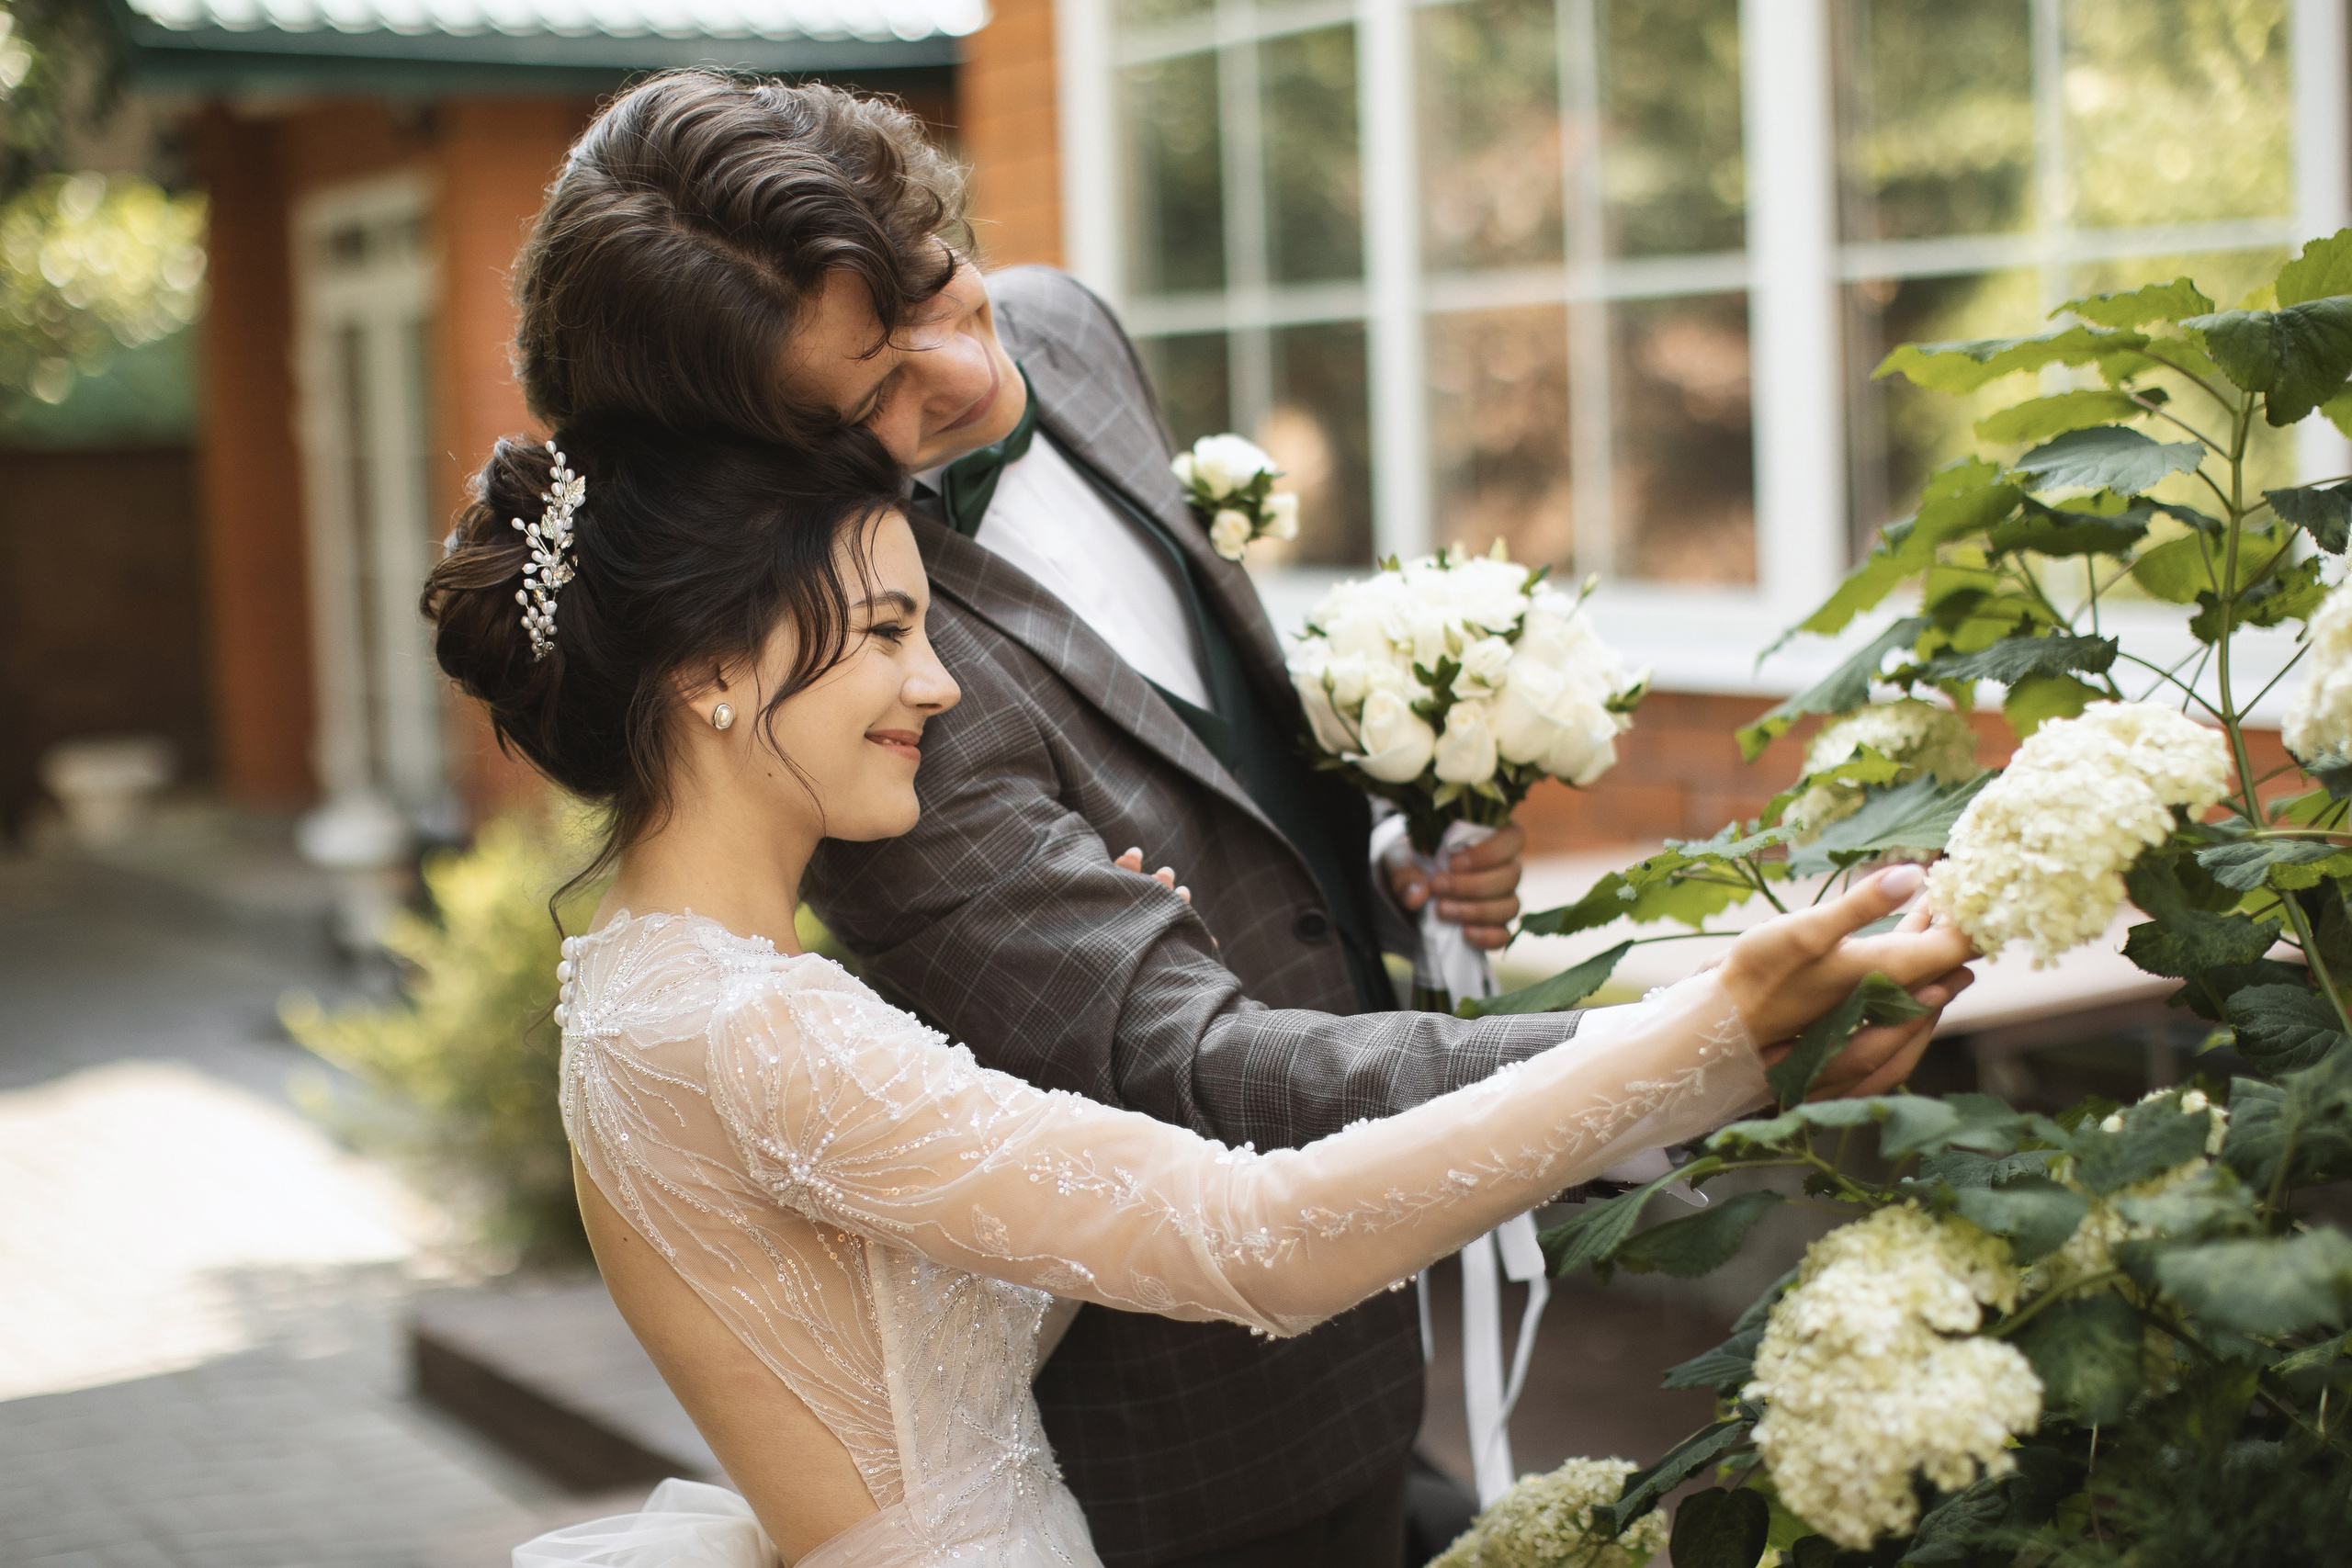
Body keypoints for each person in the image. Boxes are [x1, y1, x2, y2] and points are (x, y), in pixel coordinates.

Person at [491, 70, 1976, 1566]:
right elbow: (1196, 1088)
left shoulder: (1065, 334)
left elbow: (1225, 758)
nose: (958, 369)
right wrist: (1708, 1049)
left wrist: (1395, 856)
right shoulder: (875, 730)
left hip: (1364, 1369)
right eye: (874, 389)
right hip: (1180, 1464)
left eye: (941, 287)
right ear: (753, 469)